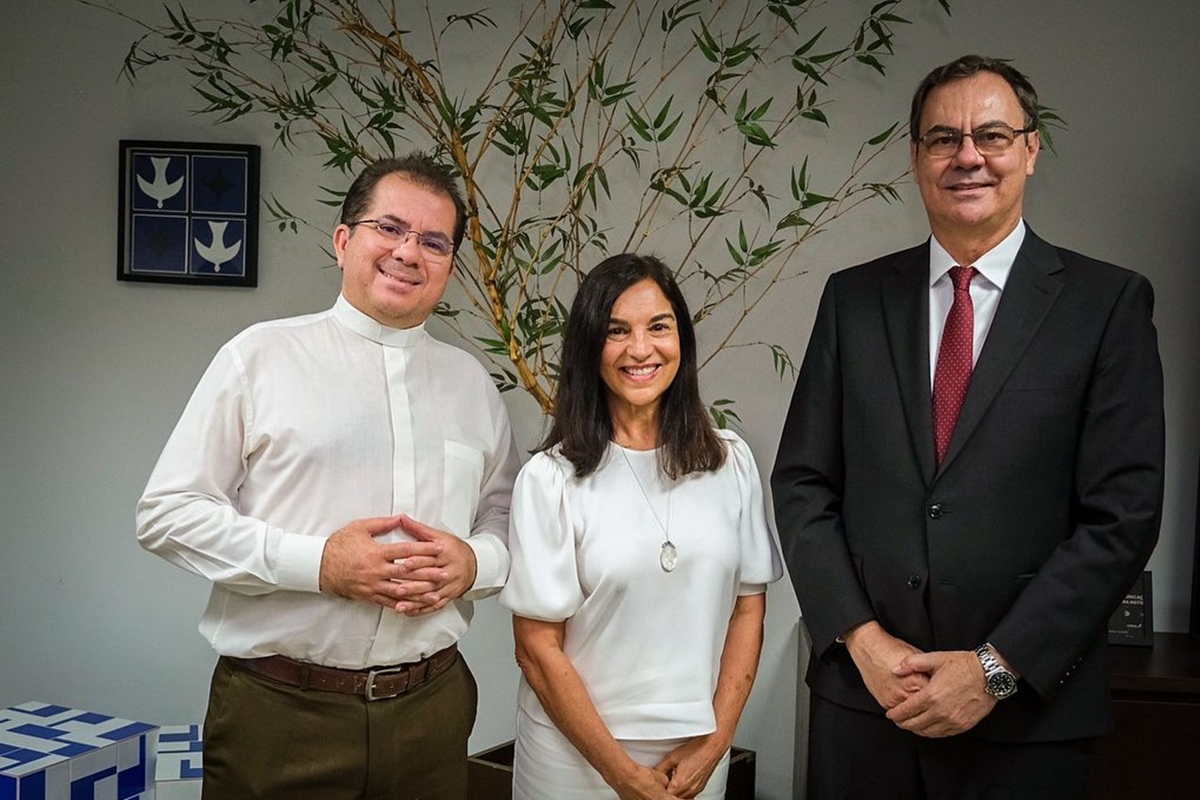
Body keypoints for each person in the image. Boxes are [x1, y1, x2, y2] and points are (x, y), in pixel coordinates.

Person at [771, 55, 1165, 800]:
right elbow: (802, 483)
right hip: (866, 706)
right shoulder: (854, 300)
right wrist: (862, 639)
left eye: (991, 134)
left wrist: (995, 668)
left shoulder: (1105, 305)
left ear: (1031, 148)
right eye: (943, 138)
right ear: (917, 157)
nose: (968, 156)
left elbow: (1124, 514)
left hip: (1026, 720)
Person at [136, 152, 522, 800]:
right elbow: (168, 512)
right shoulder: (258, 358)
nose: (409, 252)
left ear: (449, 266)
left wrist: (474, 563)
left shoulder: (472, 385)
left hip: (433, 710)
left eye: (433, 241)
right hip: (282, 714)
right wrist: (318, 563)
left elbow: (506, 512)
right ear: (343, 240)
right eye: (389, 228)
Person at [498, 254, 782, 800]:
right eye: (616, 331)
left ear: (682, 339)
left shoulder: (731, 461)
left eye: (659, 326)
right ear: (588, 348)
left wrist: (714, 743)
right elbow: (536, 648)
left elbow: (749, 607)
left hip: (696, 753)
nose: (641, 349)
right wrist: (621, 774)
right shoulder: (551, 479)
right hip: (575, 757)